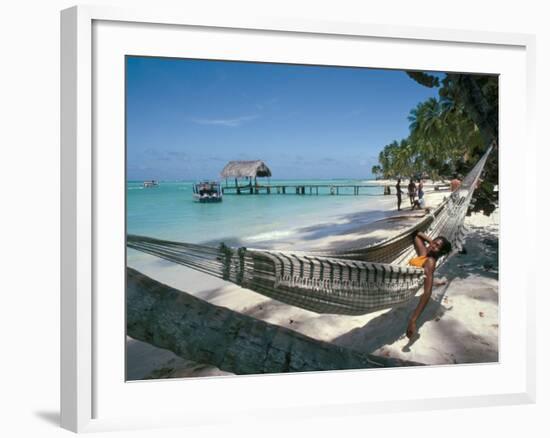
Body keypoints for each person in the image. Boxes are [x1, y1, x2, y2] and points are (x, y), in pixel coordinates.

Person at [406, 232, 452, 339]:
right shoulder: (425, 252)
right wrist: (431, 241)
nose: (433, 246)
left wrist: (413, 320)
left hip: (403, 284)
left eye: (437, 246)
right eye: (434, 243)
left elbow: (427, 292)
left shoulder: (430, 261)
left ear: (440, 251)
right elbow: (417, 234)